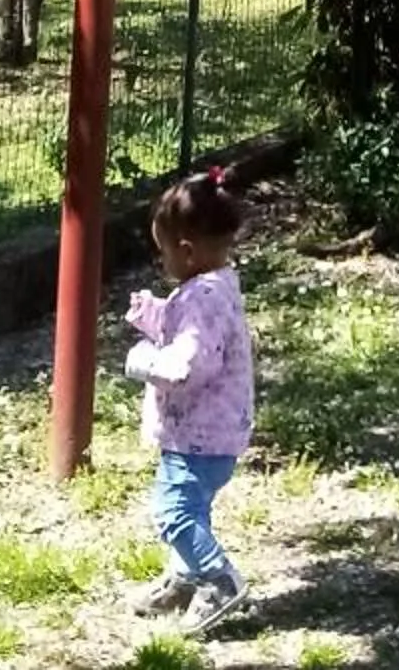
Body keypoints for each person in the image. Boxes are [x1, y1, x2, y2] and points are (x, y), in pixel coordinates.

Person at [124, 167, 255, 627]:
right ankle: (185, 575)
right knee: (191, 506)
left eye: (163, 254)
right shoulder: (213, 286)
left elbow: (188, 365)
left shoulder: (201, 298)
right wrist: (157, 314)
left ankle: (218, 578)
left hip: (201, 434)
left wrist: (143, 359)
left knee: (173, 512)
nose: (163, 264)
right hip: (209, 431)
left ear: (186, 251)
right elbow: (197, 332)